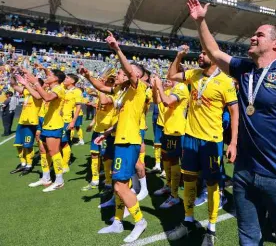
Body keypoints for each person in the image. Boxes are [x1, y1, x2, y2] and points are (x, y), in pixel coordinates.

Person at [186, 0, 276, 245]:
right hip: (244, 173)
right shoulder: (243, 69)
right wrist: (201, 22)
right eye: (253, 34)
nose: (252, 37)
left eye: (259, 35)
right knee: (248, 238)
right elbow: (214, 51)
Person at [166, 45, 239, 245]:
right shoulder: (194, 74)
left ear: (215, 58)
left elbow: (235, 113)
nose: (200, 55)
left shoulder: (225, 82)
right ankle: (188, 220)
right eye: (200, 52)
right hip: (189, 137)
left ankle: (211, 228)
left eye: (204, 53)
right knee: (188, 180)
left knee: (212, 184)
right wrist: (179, 55)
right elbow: (172, 75)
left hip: (211, 140)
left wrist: (233, 142)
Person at [90, 31, 147, 243]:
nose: (120, 75)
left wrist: (117, 49)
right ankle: (117, 221)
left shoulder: (137, 87)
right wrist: (105, 133)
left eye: (125, 73)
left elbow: (130, 73)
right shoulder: (122, 93)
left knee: (120, 185)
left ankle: (140, 221)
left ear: (135, 76)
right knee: (119, 184)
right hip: (119, 139)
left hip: (129, 141)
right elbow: (103, 87)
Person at [20, 69, 67, 192]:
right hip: (46, 124)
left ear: (56, 78)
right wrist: (26, 84)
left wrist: (35, 82)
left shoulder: (59, 89)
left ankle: (59, 180)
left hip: (54, 125)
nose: (47, 76)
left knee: (54, 152)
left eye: (50, 75)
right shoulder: (50, 89)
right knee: (43, 151)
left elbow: (46, 98)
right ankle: (46, 178)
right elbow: (37, 96)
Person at [152, 72, 189, 209]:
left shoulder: (181, 88)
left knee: (174, 161)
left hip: (177, 130)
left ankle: (174, 196)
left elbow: (167, 102)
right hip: (167, 128)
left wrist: (160, 86)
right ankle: (168, 186)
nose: (167, 76)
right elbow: (157, 101)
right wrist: (156, 88)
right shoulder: (170, 89)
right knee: (166, 158)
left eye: (171, 74)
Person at [9, 76, 43, 176]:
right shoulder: (27, 91)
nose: (30, 84)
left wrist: (27, 84)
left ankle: (29, 164)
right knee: (18, 145)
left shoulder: (40, 93)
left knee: (27, 146)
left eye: (33, 83)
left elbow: (37, 96)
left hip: (32, 123)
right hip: (22, 122)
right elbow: (14, 86)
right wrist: (12, 74)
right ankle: (23, 163)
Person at [61, 74, 83, 173]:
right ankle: (60, 161)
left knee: (64, 142)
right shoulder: (62, 88)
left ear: (73, 81)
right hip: (56, 120)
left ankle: (65, 164)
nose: (65, 79)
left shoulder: (77, 92)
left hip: (66, 120)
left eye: (67, 78)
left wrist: (73, 121)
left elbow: (78, 107)